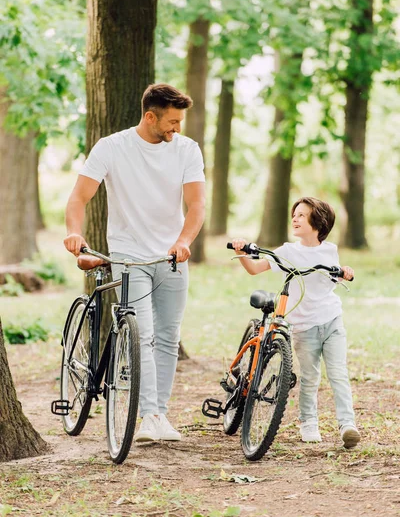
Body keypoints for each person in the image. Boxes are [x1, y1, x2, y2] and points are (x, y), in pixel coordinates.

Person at [64, 83, 206, 443]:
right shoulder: (112, 147)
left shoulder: (187, 149)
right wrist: (73, 233)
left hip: (171, 256)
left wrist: (183, 241)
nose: (177, 128)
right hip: (129, 254)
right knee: (142, 333)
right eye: (172, 121)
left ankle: (160, 414)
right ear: (150, 116)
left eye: (180, 121)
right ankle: (146, 418)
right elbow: (79, 198)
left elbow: (197, 205)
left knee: (169, 336)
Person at [231, 196, 360, 449]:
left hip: (332, 320)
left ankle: (347, 424)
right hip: (305, 326)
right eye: (295, 214)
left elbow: (336, 277)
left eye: (302, 215)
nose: (295, 218)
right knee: (310, 377)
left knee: (338, 374)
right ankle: (308, 422)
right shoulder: (288, 251)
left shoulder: (329, 250)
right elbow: (255, 269)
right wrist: (241, 252)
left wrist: (345, 271)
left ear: (319, 222)